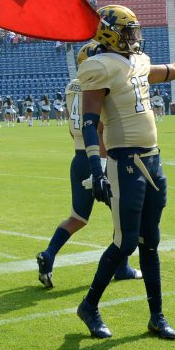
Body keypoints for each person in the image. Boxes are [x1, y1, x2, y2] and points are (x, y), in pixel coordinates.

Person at [74, 5, 175, 340]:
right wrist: (96, 168)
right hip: (125, 162)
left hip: (153, 160)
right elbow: (90, 123)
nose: (134, 36)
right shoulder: (99, 65)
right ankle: (89, 305)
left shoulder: (138, 61)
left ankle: (157, 316)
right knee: (125, 241)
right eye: (128, 30)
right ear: (109, 32)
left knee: (150, 241)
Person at [36, 42, 141, 290]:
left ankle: (49, 254)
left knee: (78, 217)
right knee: (126, 214)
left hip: (78, 157)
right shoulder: (98, 84)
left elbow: (74, 131)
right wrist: (102, 164)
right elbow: (100, 126)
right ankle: (122, 267)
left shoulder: (72, 85)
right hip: (100, 159)